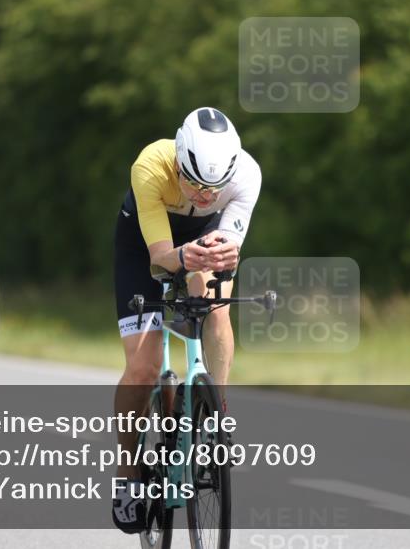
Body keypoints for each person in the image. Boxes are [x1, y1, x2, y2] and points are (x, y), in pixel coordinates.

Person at [111, 107, 261, 533]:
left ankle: (216, 414)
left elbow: (228, 246)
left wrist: (226, 253)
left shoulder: (247, 174)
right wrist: (180, 257)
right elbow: (161, 258)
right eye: (195, 184)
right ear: (179, 162)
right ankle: (127, 471)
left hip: (202, 238)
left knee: (216, 309)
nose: (205, 196)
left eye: (215, 188)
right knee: (143, 369)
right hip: (145, 246)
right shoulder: (150, 166)